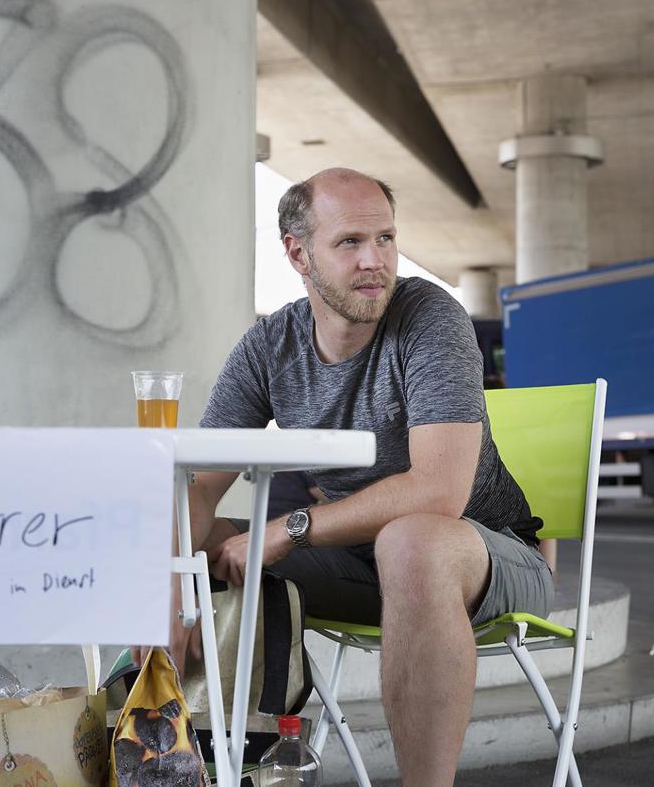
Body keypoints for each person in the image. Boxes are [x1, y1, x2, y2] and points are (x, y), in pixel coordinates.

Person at [176, 167, 553, 786]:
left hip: (483, 555)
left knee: (411, 540)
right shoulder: (269, 347)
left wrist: (290, 527)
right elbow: (196, 486)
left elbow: (440, 491)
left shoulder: (431, 318)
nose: (374, 261)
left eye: (385, 239)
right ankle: (200, 766)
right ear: (298, 253)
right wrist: (164, 583)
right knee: (195, 544)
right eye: (350, 242)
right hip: (359, 564)